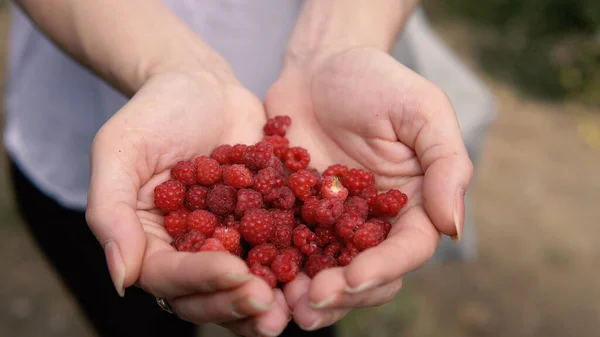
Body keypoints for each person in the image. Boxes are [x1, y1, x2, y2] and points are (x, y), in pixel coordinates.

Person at [4, 1, 476, 336]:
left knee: (302, 306)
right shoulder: (225, 193)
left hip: (304, 69)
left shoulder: (300, 201)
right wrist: (170, 66)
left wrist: (338, 44)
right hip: (77, 121)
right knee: (132, 320)